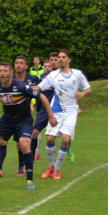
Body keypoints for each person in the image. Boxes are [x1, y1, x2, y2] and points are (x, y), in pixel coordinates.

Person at [0, 62, 57, 190]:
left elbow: (42, 97)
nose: (2, 73)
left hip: (23, 120)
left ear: (11, 73)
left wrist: (50, 116)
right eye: (0, 71)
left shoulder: (21, 86)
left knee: (24, 145)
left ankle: (29, 180)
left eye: (5, 71)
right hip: (6, 120)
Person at [33, 49, 91, 180]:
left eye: (63, 57)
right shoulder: (52, 76)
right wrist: (24, 87)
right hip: (56, 111)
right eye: (59, 57)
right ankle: (51, 166)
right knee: (50, 139)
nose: (60, 59)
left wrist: (83, 93)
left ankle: (57, 169)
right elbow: (39, 88)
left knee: (65, 139)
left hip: (71, 111)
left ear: (69, 60)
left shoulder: (77, 74)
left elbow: (88, 88)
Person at [0, 55, 40, 178]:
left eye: (21, 63)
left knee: (20, 144)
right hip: (8, 117)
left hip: (23, 117)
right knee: (2, 140)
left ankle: (21, 166)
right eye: (16, 63)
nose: (18, 65)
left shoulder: (32, 79)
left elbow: (42, 90)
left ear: (26, 66)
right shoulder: (8, 78)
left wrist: (33, 103)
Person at [32, 59, 53, 160]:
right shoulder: (43, 78)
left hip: (58, 109)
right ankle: (35, 154)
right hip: (44, 108)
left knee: (61, 136)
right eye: (46, 66)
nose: (47, 68)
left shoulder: (60, 76)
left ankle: (67, 149)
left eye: (49, 66)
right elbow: (39, 94)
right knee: (35, 131)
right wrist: (37, 108)